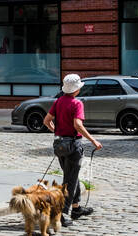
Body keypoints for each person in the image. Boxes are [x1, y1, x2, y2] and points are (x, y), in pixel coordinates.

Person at [43, 74, 103, 226]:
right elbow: (77, 125)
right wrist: (93, 140)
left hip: (60, 145)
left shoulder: (58, 102)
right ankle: (61, 214)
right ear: (76, 90)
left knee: (71, 176)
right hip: (73, 146)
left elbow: (46, 121)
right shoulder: (77, 104)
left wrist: (58, 132)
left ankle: (76, 208)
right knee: (70, 180)